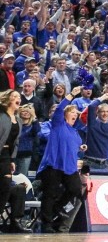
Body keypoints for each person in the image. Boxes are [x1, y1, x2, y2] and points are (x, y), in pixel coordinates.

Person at [37, 97, 86, 232]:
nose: (75, 115)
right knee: (50, 194)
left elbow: (72, 148)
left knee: (75, 189)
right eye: (72, 112)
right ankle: (46, 223)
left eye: (76, 113)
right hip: (53, 165)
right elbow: (58, 109)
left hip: (69, 167)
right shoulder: (58, 124)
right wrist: (69, 96)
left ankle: (58, 208)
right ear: (65, 115)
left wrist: (80, 147)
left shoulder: (76, 133)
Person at [0, 90, 28, 232]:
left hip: (5, 155)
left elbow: (16, 142)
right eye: (15, 96)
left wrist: (12, 159)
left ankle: (14, 222)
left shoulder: (17, 119)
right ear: (8, 100)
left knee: (5, 185)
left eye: (19, 97)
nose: (18, 98)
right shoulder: (1, 115)